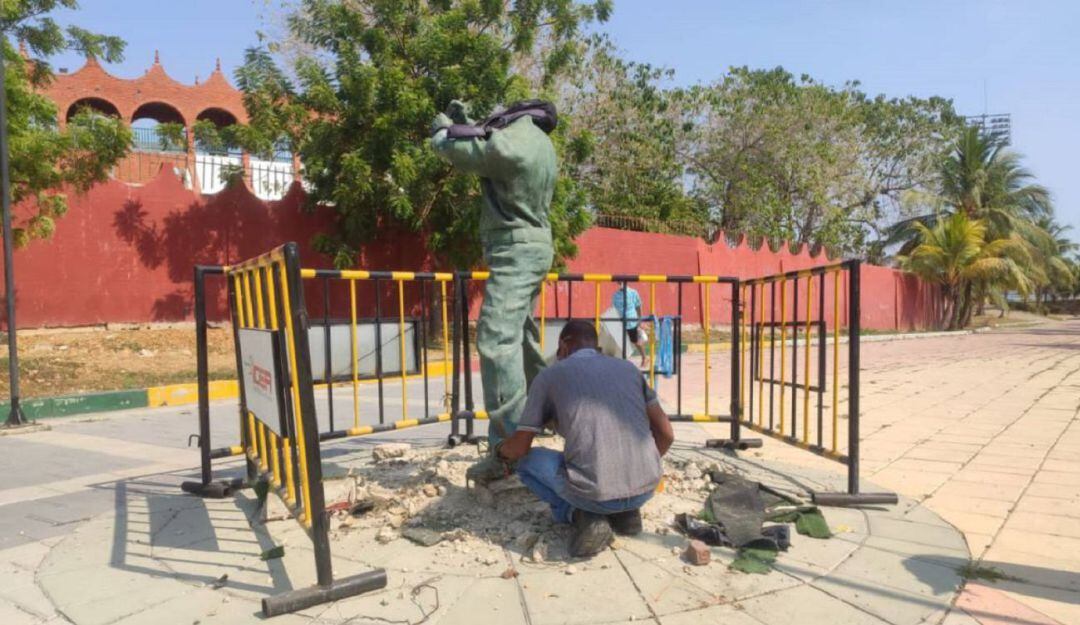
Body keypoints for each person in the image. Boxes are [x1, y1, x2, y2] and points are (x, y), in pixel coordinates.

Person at [430, 100, 558, 485]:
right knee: (521, 340)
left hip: (515, 250)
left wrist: (442, 134)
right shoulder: (539, 143)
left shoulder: (517, 140)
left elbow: (480, 152)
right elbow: (490, 146)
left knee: (496, 340)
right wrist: (467, 123)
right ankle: (544, 417)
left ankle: (509, 449)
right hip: (531, 246)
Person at [496, 320, 674, 557]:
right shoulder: (629, 369)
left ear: (563, 345)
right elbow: (666, 434)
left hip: (596, 496)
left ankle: (580, 515)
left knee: (527, 463)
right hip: (646, 488)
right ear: (595, 344)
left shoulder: (550, 376)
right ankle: (625, 515)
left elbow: (519, 447)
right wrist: (639, 465)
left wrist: (500, 453)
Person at [612, 286, 648, 366]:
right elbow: (613, 309)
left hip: (632, 322)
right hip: (620, 323)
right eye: (619, 282)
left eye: (622, 282)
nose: (621, 284)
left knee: (636, 341)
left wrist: (640, 320)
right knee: (620, 343)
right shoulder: (615, 295)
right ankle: (622, 361)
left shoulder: (633, 292)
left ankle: (644, 357)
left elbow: (638, 306)